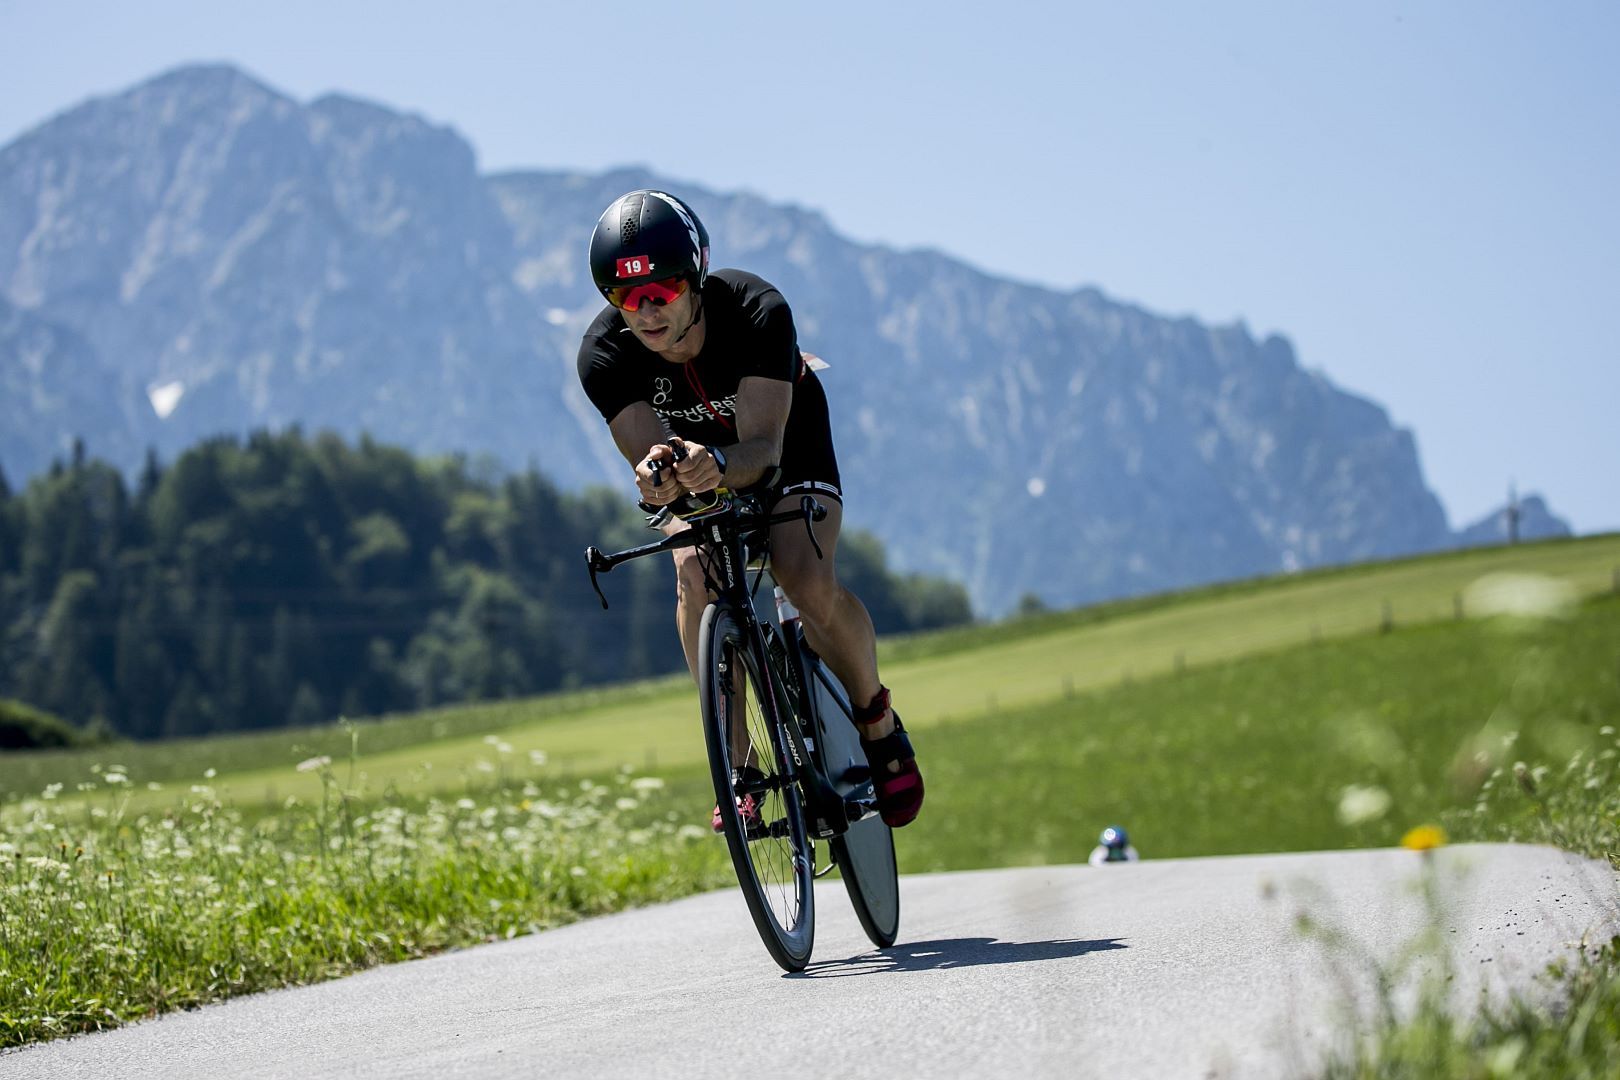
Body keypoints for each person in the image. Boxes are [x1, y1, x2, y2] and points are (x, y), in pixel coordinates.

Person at [575, 189, 923, 830]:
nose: (645, 310)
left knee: (805, 578)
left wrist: (720, 461)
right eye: (626, 297)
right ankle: (738, 765)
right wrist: (657, 481)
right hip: (695, 469)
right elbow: (650, 461)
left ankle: (876, 717)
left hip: (786, 443)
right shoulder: (603, 357)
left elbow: (762, 448)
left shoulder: (758, 310)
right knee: (692, 574)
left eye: (662, 289)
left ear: (696, 280)